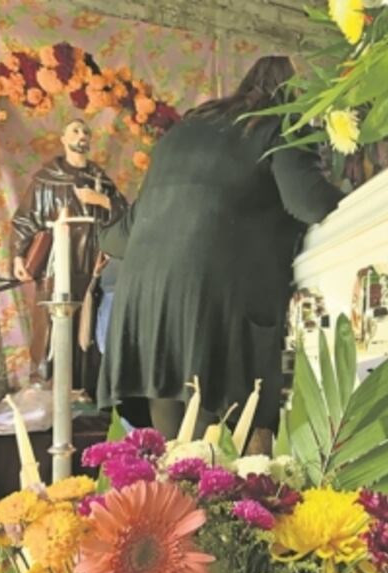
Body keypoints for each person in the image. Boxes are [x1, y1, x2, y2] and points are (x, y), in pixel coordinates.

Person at [98, 56, 343, 452]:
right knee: (223, 464)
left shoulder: (180, 134)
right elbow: (310, 203)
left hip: (146, 312)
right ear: (294, 94)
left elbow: (120, 237)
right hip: (212, 306)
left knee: (176, 459)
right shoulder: (278, 124)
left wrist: (93, 231)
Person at [11, 119, 127, 397]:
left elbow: (126, 214)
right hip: (57, 263)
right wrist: (18, 256)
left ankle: (87, 389)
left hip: (93, 263)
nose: (82, 135)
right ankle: (48, 388)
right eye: (75, 130)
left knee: (89, 323)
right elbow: (25, 220)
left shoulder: (101, 180)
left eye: (86, 131)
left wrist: (101, 201)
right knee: (52, 323)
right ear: (63, 139)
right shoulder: (46, 179)